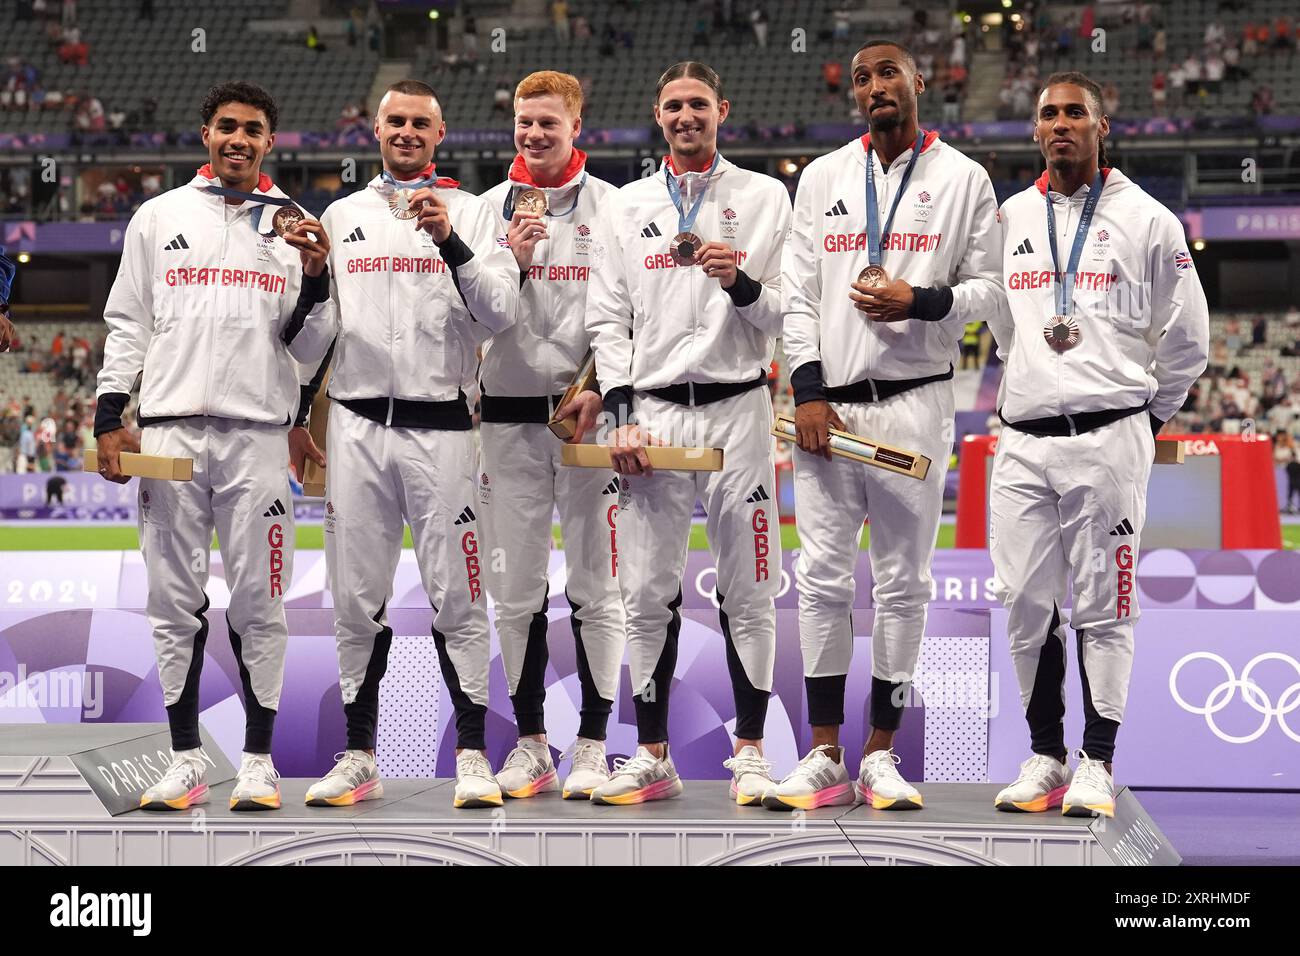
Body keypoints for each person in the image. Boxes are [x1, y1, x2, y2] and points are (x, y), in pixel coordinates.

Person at [93, 81, 336, 811]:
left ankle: (259, 762)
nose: (238, 139)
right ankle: (186, 759)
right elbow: (128, 322)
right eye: (226, 126)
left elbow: (313, 346)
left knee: (262, 602)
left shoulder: (298, 225)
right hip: (168, 434)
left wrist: (319, 276)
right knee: (173, 604)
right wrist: (111, 414)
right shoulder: (158, 216)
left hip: (258, 437)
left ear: (270, 141)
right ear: (206, 134)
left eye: (253, 130)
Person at [772, 40, 1001, 812]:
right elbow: (797, 296)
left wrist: (924, 300)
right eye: (863, 77)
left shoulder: (964, 178)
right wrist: (804, 390)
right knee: (823, 582)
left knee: (905, 583)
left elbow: (992, 290)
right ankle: (825, 751)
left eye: (888, 74)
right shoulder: (824, 177)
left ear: (920, 83)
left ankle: (881, 753)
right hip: (827, 408)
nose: (875, 87)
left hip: (916, 401)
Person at [988, 72, 1208, 818]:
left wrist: (1146, 421)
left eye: (1074, 113)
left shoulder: (1148, 220)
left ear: (1100, 126)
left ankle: (1098, 761)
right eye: (1047, 114)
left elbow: (1187, 339)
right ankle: (1045, 755)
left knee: (1105, 605)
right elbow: (1007, 326)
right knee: (1023, 603)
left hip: (1110, 434)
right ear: (1036, 129)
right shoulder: (1012, 215)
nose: (1059, 125)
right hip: (1020, 441)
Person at [297, 80, 519, 810]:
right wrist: (309, 286)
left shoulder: (476, 211)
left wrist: (448, 238)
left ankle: (472, 756)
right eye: (395, 120)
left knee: (458, 596)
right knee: (355, 599)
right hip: (358, 426)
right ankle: (360, 754)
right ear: (376, 129)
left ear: (441, 131)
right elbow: (316, 334)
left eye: (420, 122)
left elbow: (501, 312)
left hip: (444, 425)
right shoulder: (342, 213)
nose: (406, 132)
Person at [585, 60, 792, 805]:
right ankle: (650, 752)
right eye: (673, 105)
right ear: (658, 112)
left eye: (698, 104)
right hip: (656, 415)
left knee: (751, 588)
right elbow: (606, 318)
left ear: (721, 110)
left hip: (740, 409)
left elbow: (786, 315)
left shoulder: (766, 197)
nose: (685, 116)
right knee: (644, 591)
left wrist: (740, 283)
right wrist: (618, 412)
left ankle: (752, 750)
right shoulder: (629, 205)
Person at [477, 71, 624, 800]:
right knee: (514, 591)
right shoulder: (481, 212)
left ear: (576, 124)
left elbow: (631, 314)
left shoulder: (618, 210)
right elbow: (465, 315)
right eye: (524, 122)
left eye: (549, 123)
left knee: (597, 588)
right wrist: (513, 256)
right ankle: (532, 742)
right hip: (504, 419)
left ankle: (596, 742)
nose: (535, 135)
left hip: (587, 422)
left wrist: (598, 383)